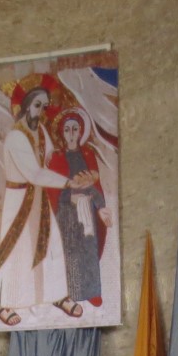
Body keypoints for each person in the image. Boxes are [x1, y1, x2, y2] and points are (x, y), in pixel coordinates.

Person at [0, 76, 93, 327]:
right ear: (25, 106)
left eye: (45, 106)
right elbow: (33, 173)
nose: (42, 111)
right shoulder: (15, 137)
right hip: (19, 199)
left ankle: (58, 295)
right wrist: (68, 182)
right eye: (37, 105)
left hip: (39, 199)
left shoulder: (41, 131)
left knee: (51, 245)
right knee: (16, 249)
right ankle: (0, 302)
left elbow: (47, 162)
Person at [45, 108, 111, 308]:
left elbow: (94, 184)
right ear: (63, 133)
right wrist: (69, 196)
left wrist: (100, 206)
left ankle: (92, 292)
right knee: (72, 252)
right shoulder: (58, 157)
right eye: (67, 130)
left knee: (88, 251)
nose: (71, 133)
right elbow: (53, 188)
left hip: (87, 210)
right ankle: (72, 291)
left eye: (75, 129)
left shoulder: (87, 155)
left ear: (80, 132)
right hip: (67, 213)